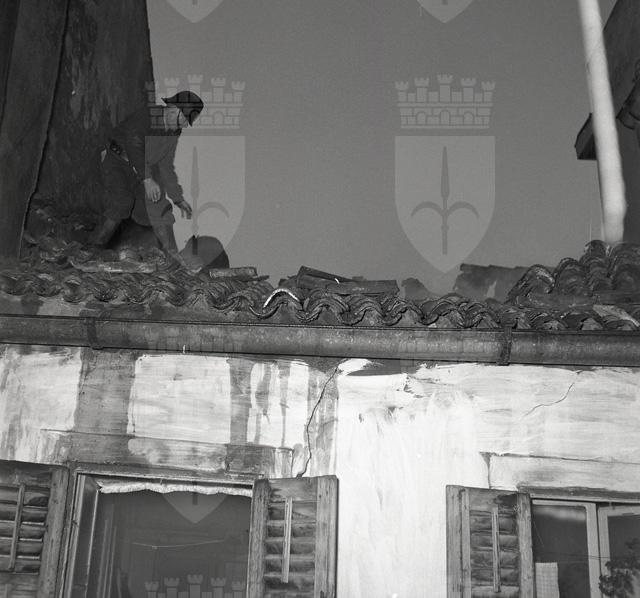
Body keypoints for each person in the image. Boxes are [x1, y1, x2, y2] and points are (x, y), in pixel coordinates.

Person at [93, 90, 204, 268]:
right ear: (173, 109)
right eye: (185, 118)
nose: (185, 124)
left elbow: (165, 165)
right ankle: (94, 247)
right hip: (117, 161)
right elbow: (134, 145)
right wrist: (147, 180)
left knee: (158, 205)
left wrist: (177, 198)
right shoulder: (147, 116)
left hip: (141, 170)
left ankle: (171, 255)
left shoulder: (174, 132)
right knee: (122, 201)